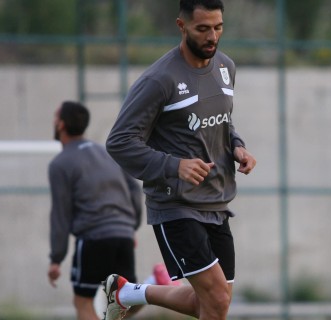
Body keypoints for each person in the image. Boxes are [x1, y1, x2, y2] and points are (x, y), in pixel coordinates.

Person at [103, 0, 257, 319]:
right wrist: (175, 165)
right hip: (175, 204)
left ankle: (128, 292)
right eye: (202, 29)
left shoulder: (226, 67)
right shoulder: (159, 80)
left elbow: (222, 123)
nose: (212, 36)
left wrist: (237, 146)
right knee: (215, 297)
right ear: (181, 26)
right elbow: (119, 142)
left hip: (216, 201)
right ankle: (129, 293)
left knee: (215, 303)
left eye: (218, 27)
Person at [47, 101, 174, 320]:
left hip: (93, 239)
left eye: (55, 117)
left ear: (61, 125)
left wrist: (56, 258)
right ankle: (153, 282)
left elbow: (60, 215)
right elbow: (134, 190)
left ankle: (152, 284)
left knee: (83, 303)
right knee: (122, 299)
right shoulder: (107, 154)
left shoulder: (60, 164)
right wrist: (130, 227)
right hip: (123, 235)